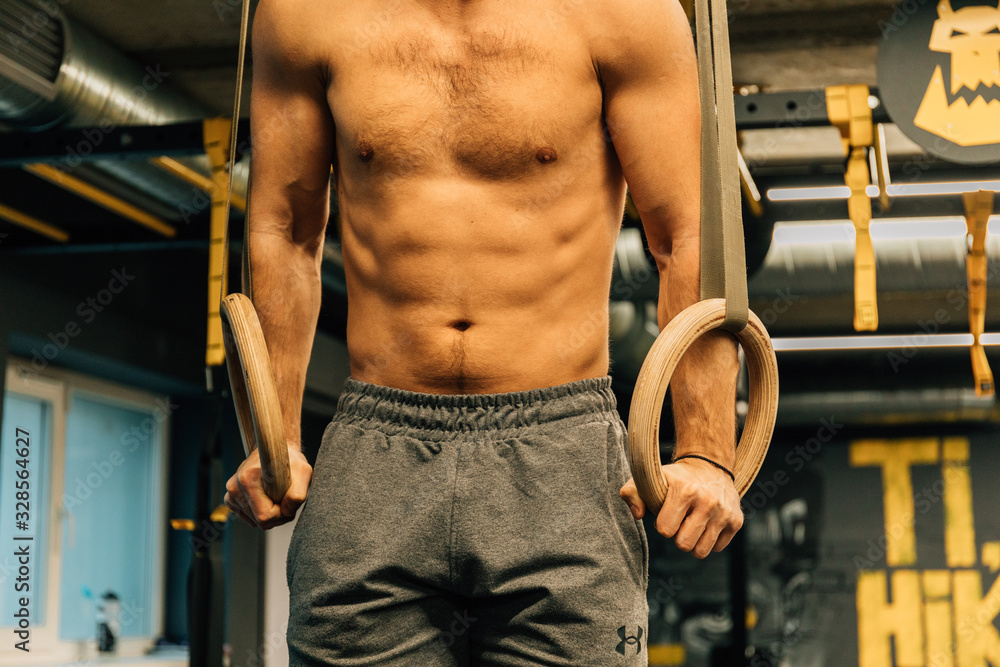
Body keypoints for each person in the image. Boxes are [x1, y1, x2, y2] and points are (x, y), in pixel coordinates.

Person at [223, 0, 742, 664]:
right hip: (376, 454)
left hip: (563, 455)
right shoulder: (305, 13)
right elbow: (285, 231)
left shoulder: (625, 12)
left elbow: (687, 235)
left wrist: (705, 451)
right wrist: (275, 439)